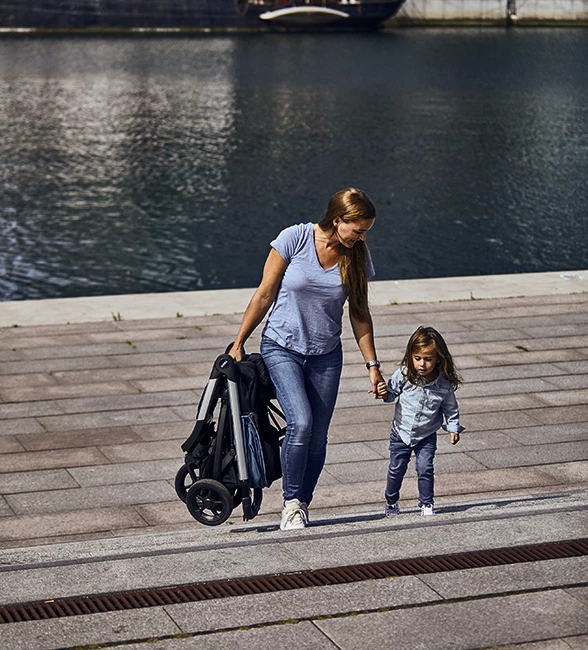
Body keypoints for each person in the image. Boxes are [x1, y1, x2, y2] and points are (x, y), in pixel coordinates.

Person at [229, 188, 384, 531]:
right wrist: (239, 341)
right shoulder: (295, 238)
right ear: (338, 220)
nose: (362, 237)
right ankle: (291, 503)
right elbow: (265, 293)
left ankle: (303, 504)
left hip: (326, 355)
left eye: (366, 231)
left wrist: (373, 366)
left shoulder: (356, 256)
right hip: (281, 347)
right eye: (358, 229)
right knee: (300, 423)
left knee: (318, 435)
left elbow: (359, 313)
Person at [376, 326, 464, 517]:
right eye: (418, 358)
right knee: (396, 468)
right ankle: (391, 500)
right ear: (411, 356)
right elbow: (391, 395)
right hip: (401, 432)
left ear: (438, 358)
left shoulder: (443, 384)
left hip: (427, 434)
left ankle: (426, 503)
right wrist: (383, 392)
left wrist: (453, 428)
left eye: (428, 359)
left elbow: (451, 407)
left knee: (425, 468)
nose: (422, 364)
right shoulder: (405, 374)